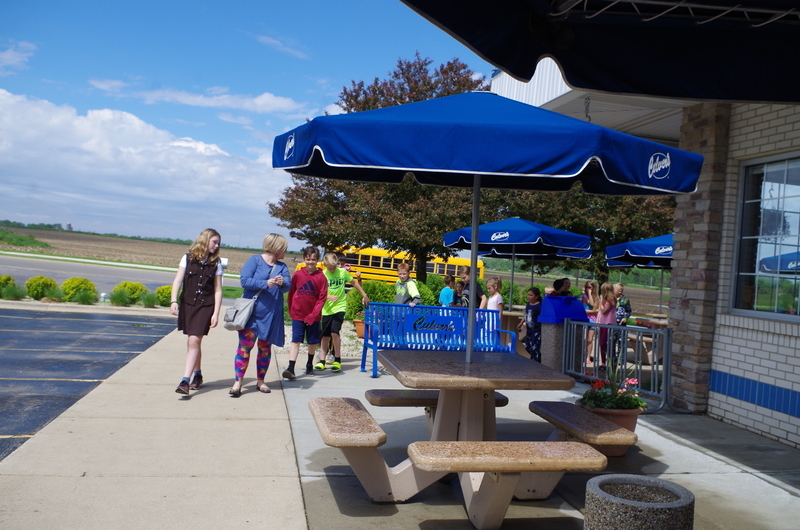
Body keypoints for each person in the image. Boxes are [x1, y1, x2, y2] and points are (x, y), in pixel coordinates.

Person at [229, 233, 291, 397]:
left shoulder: (282, 266)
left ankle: (261, 381)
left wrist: (282, 282)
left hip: (271, 316)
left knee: (265, 349)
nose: (286, 251)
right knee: (244, 348)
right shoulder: (254, 260)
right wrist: (265, 283)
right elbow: (244, 281)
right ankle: (237, 383)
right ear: (276, 248)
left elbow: (288, 286)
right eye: (284, 248)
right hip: (251, 314)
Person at [170, 228, 223, 395]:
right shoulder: (187, 258)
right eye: (214, 242)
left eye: (218, 243)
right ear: (205, 240)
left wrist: (216, 313)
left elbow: (218, 290)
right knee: (193, 342)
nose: (217, 245)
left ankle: (184, 381)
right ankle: (197, 375)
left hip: (205, 307)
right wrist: (173, 301)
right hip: (188, 305)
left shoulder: (216, 263)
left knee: (194, 341)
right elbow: (178, 281)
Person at [315, 252, 369, 372]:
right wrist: (328, 296)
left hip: (340, 307)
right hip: (327, 309)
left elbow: (354, 282)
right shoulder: (322, 275)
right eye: (330, 268)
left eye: (334, 267)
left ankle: (337, 359)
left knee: (335, 332)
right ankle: (322, 360)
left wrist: (364, 294)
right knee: (325, 335)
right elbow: (318, 292)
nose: (332, 270)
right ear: (325, 265)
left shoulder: (342, 272)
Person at [283, 246, 327, 380]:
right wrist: (291, 309)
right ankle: (291, 367)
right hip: (298, 314)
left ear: (317, 260)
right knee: (295, 340)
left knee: (312, 342)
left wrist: (313, 315)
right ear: (304, 259)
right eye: (308, 259)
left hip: (313, 316)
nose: (310, 262)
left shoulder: (321, 277)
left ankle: (309, 364)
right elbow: (291, 293)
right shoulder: (297, 275)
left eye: (313, 259)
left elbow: (322, 298)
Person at [517, 287, 542, 361]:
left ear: (536, 296)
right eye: (528, 295)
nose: (529, 297)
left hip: (537, 330)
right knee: (527, 346)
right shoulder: (528, 304)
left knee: (535, 347)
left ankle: (535, 361)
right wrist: (521, 323)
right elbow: (526, 315)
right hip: (529, 330)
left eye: (531, 295)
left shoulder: (539, 306)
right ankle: (536, 358)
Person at [596, 282, 617, 367]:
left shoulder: (611, 300)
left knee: (604, 343)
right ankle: (603, 363)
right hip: (602, 322)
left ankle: (612, 359)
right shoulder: (605, 299)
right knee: (601, 344)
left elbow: (604, 311)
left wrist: (600, 302)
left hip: (608, 323)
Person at [582, 280, 599, 363]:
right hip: (585, 319)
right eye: (587, 287)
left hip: (593, 320)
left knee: (590, 339)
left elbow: (596, 307)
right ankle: (583, 354)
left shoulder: (597, 298)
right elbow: (591, 304)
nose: (588, 289)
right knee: (584, 338)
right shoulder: (585, 296)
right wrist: (588, 293)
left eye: (590, 287)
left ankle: (588, 357)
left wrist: (592, 311)